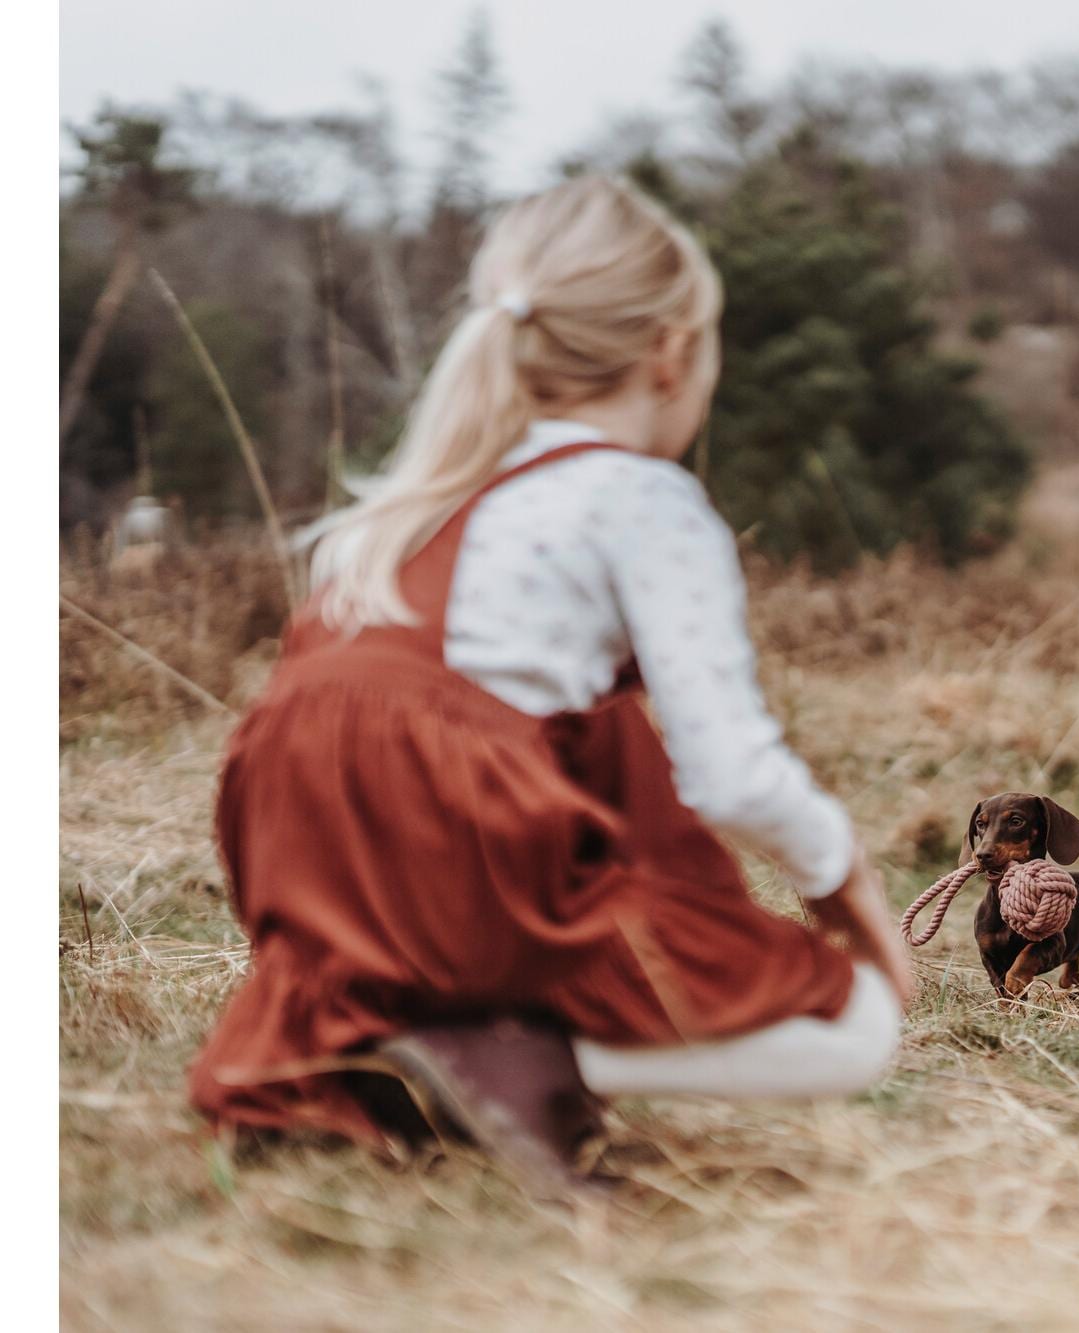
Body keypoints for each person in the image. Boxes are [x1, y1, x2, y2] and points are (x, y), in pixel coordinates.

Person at [187, 175, 915, 1195]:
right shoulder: (641, 498)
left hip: (302, 853)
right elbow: (732, 775)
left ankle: (408, 1046)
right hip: (465, 842)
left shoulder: (395, 508)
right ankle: (513, 1057)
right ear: (671, 355)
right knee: (858, 1024)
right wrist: (847, 882)